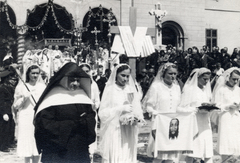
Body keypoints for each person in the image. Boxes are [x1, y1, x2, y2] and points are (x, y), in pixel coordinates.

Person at [34, 62, 96, 163]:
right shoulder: (52, 98)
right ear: (63, 79)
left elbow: (91, 116)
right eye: (72, 80)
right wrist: (70, 124)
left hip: (79, 148)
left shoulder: (82, 96)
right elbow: (45, 124)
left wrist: (85, 121)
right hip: (57, 150)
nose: (75, 84)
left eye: (77, 80)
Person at [98, 63, 144, 163]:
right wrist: (120, 109)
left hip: (128, 128)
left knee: (127, 153)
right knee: (117, 153)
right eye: (123, 75)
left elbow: (136, 107)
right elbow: (102, 113)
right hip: (115, 128)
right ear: (116, 74)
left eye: (127, 76)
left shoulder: (130, 89)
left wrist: (136, 117)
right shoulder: (110, 89)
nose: (125, 79)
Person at [142, 62, 181, 163]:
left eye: (175, 74)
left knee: (171, 155)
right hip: (160, 123)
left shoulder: (177, 88)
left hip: (173, 123)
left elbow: (179, 105)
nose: (173, 76)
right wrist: (157, 114)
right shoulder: (156, 87)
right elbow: (149, 106)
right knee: (159, 154)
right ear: (163, 74)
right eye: (170, 73)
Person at [12, 64, 45, 163]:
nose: (35, 75)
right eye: (33, 73)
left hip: (38, 117)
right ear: (28, 74)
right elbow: (15, 106)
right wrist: (24, 98)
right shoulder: (21, 87)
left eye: (37, 73)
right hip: (25, 117)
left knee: (37, 143)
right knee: (27, 142)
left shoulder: (42, 87)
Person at [179, 67, 213, 163]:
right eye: (204, 79)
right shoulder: (189, 90)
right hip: (194, 122)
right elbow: (181, 108)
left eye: (208, 79)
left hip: (205, 122)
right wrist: (195, 109)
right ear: (197, 77)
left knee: (206, 148)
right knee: (193, 149)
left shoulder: (206, 90)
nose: (206, 81)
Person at [211, 67, 240, 162]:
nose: (235, 81)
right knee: (226, 140)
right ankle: (225, 159)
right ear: (228, 77)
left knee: (235, 140)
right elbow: (217, 106)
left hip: (236, 117)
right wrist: (228, 106)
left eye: (237, 79)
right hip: (225, 117)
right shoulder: (221, 90)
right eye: (234, 79)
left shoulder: (238, 90)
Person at [79, 63, 100, 161]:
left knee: (90, 136)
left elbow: (97, 100)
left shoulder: (93, 84)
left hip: (90, 114)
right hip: (79, 114)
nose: (85, 73)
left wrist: (93, 106)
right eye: (83, 71)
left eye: (87, 71)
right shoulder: (77, 83)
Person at [0, 64, 18, 152]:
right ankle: (2, 146)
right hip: (5, 110)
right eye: (10, 78)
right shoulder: (2, 88)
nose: (12, 80)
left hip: (10, 109)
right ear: (6, 78)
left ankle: (9, 142)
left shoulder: (9, 87)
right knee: (4, 128)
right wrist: (3, 113)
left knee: (10, 127)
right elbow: (1, 101)